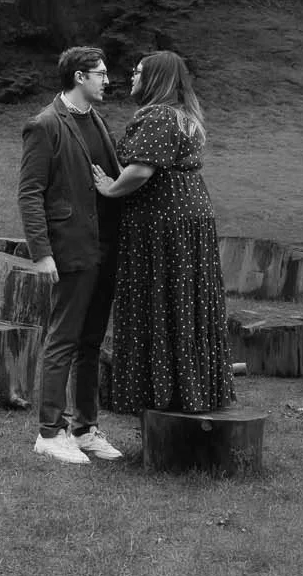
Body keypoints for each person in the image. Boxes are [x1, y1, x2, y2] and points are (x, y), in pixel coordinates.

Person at [90, 50, 235, 416]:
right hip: (189, 216)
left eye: (138, 72)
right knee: (184, 300)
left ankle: (158, 393)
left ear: (155, 79)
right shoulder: (183, 116)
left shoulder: (157, 115)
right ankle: (190, 389)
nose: (132, 77)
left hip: (163, 220)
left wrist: (110, 189)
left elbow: (141, 170)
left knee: (160, 297)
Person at [17, 46, 127, 465]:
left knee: (91, 341)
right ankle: (50, 432)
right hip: (70, 249)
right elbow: (30, 193)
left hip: (105, 247)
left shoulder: (96, 119)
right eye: (101, 74)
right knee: (63, 339)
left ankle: (84, 429)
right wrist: (42, 253)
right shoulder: (45, 124)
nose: (107, 80)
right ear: (80, 77)